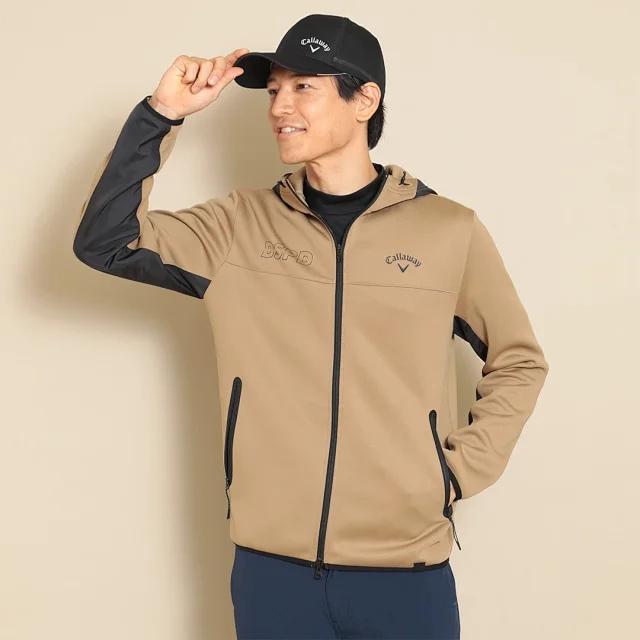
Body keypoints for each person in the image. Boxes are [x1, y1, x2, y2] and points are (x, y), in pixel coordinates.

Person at [73, 13, 549, 640]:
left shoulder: (447, 231)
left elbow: (519, 360)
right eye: (274, 90)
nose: (279, 107)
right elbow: (105, 241)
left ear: (365, 100)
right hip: (272, 572)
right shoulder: (237, 228)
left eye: (304, 87)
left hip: (404, 571)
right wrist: (161, 115)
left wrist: (454, 472)